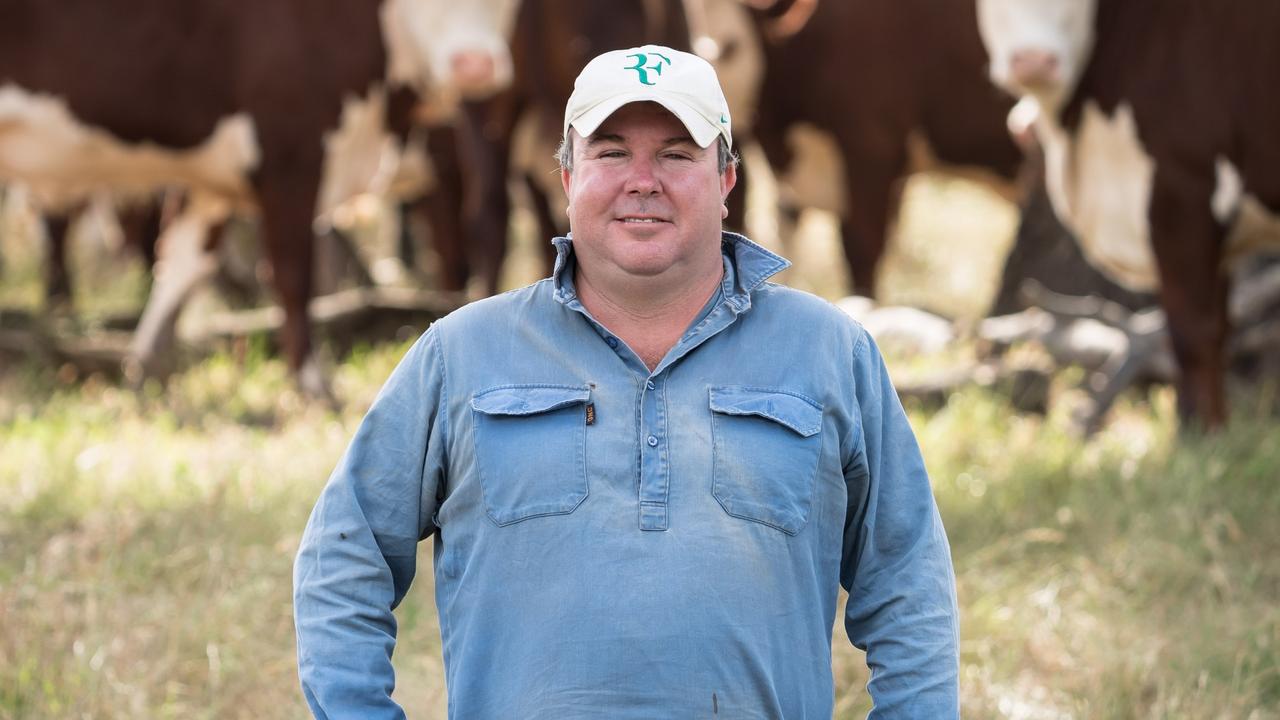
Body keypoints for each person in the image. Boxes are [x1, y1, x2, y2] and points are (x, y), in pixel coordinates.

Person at [294, 44, 959, 719]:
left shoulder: (829, 352)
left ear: (727, 178)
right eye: (611, 152)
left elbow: (909, 586)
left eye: (676, 153)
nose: (643, 180)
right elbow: (342, 565)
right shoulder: (462, 355)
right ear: (566, 176)